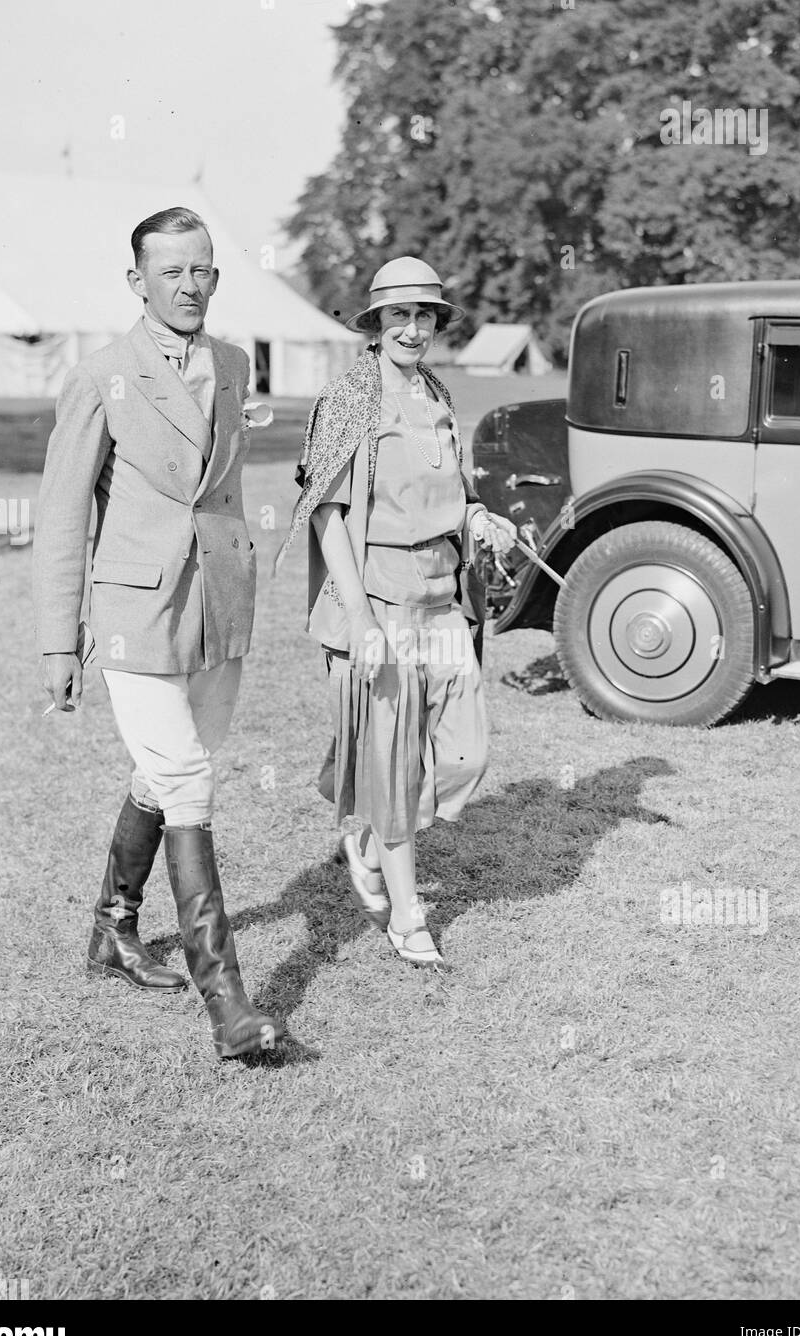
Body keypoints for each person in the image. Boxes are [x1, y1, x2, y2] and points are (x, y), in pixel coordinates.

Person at [33, 206, 283, 1060]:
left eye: (203, 269)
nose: (190, 285)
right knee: (186, 780)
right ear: (137, 282)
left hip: (218, 604)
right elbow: (64, 514)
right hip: (136, 609)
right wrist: (59, 642)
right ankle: (229, 1005)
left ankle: (113, 927)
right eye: (172, 271)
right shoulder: (102, 374)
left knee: (172, 764)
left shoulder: (234, 363)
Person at [275, 257, 516, 966]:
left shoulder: (436, 392)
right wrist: (362, 621)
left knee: (466, 749)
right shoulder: (350, 396)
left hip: (441, 595)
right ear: (375, 325)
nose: (413, 328)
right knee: (392, 762)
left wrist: (478, 518)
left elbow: (452, 490)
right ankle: (408, 912)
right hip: (378, 596)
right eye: (399, 316)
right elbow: (326, 514)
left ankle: (366, 832)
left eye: (425, 316)